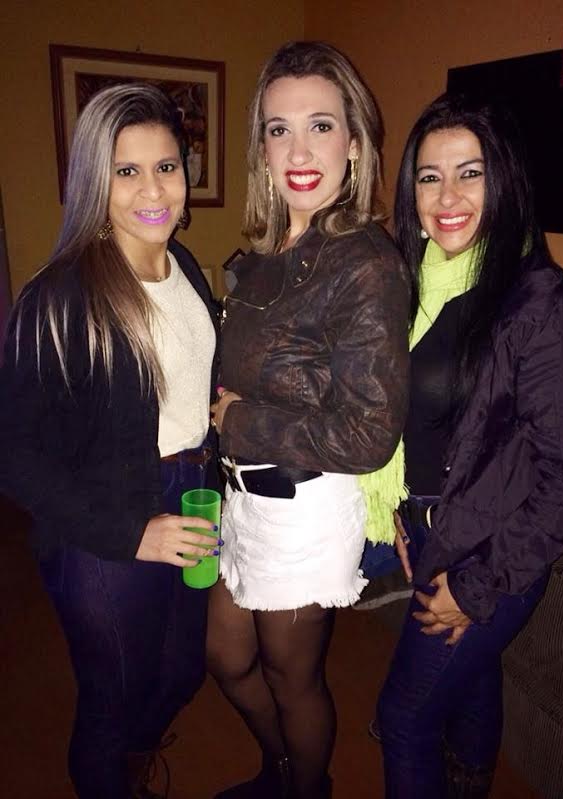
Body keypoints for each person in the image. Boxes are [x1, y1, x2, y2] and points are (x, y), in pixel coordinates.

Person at [0, 84, 221, 799]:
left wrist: (216, 409)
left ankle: (130, 761)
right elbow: (14, 452)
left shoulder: (184, 264)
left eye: (166, 167)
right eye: (127, 171)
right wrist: (133, 532)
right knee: (111, 698)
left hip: (191, 491)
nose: (153, 190)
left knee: (182, 669)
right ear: (95, 181)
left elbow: (178, 380)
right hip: (104, 520)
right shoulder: (60, 296)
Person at [376, 93, 563, 799]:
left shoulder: (544, 312)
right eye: (429, 176)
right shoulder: (415, 286)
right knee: (471, 682)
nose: (447, 197)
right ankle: (469, 780)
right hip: (430, 526)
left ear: (504, 181)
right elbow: (423, 424)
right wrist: (402, 508)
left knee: (402, 721)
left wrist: (475, 586)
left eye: (469, 173)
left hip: (489, 550)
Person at [208, 40, 409, 799]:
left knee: (293, 677)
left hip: (304, 504)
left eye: (320, 126)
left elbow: (368, 434)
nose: (298, 151)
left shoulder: (365, 263)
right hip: (243, 497)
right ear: (260, 147)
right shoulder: (263, 255)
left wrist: (240, 422)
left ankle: (304, 786)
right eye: (279, 129)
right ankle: (281, 767)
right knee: (227, 657)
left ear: (354, 142)